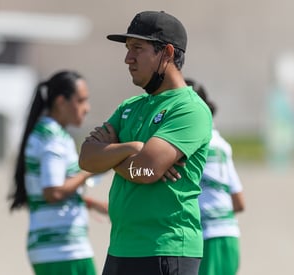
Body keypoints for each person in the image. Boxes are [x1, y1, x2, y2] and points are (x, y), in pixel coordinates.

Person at [79, 11, 212, 275]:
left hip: (166, 248)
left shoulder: (189, 109)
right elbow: (86, 159)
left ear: (168, 53)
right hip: (120, 247)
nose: (128, 58)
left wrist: (112, 155)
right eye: (128, 49)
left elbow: (147, 171)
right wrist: (133, 149)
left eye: (137, 49)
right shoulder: (129, 106)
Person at [9, 70, 108, 275]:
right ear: (61, 102)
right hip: (62, 249)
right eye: (81, 101)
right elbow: (53, 191)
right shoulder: (52, 137)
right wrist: (89, 171)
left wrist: (90, 204)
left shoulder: (50, 133)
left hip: (54, 248)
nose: (86, 108)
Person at [185, 78, 245, 275]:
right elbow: (239, 202)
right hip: (228, 236)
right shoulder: (221, 145)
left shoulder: (188, 144)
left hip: (205, 238)